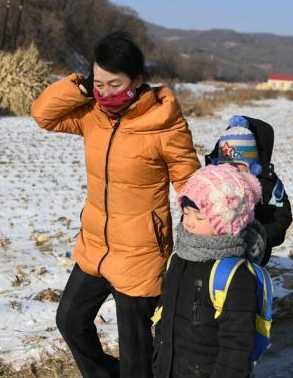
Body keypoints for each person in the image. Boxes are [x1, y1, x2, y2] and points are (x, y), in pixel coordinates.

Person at [31, 31, 200, 378]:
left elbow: (189, 180)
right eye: (99, 82)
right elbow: (44, 115)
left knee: (137, 357)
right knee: (70, 321)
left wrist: (205, 219)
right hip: (96, 244)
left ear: (138, 81)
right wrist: (79, 86)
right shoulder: (92, 114)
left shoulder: (164, 124)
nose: (104, 92)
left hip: (140, 252)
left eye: (114, 83)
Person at [152, 164, 266, 378]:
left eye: (200, 217)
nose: (189, 223)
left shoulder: (234, 275)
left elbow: (237, 346)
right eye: (186, 213)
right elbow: (164, 316)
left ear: (225, 224)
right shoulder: (178, 258)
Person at [206, 115, 292, 266]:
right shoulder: (212, 183)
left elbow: (282, 217)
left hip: (253, 259)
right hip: (212, 257)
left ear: (253, 166)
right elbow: (193, 211)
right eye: (226, 164)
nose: (231, 170)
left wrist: (261, 236)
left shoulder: (268, 186)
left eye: (238, 165)